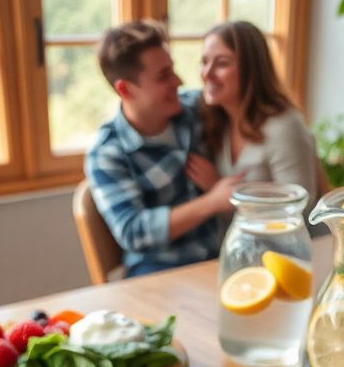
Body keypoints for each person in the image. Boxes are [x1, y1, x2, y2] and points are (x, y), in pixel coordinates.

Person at [85, 20, 242, 277]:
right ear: (125, 89)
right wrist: (212, 201)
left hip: (219, 263)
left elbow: (249, 103)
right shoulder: (107, 154)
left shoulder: (196, 111)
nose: (178, 81)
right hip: (157, 275)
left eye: (173, 70)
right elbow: (134, 232)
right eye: (163, 76)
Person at [187, 20, 322, 220]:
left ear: (251, 69)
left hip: (285, 248)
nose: (207, 74)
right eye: (204, 62)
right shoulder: (216, 120)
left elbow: (301, 208)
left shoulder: (283, 126)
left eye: (222, 63)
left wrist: (224, 192)